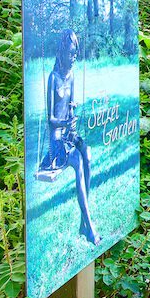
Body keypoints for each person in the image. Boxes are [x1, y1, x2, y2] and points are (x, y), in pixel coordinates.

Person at [43, 28, 99, 244]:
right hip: (56, 141)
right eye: (70, 53)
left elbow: (71, 106)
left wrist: (73, 114)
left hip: (69, 134)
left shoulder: (72, 75)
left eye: (75, 53)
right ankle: (90, 228)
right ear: (61, 53)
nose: (73, 57)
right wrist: (65, 122)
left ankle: (83, 222)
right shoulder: (53, 78)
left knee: (88, 154)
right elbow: (50, 120)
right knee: (76, 161)